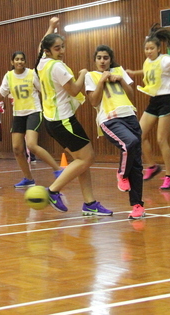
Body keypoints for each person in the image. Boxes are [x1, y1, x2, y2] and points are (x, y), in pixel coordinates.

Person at [35, 17, 112, 216]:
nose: (62, 51)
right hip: (64, 121)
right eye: (57, 48)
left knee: (81, 160)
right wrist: (83, 74)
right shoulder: (57, 67)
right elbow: (74, 89)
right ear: (48, 51)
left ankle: (90, 203)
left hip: (52, 121)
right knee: (88, 157)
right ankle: (53, 191)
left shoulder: (42, 62)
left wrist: (51, 27)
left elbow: (42, 44)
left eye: (62, 46)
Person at [128, 24, 170, 190]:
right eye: (146, 48)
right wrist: (134, 73)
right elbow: (149, 71)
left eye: (151, 48)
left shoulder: (166, 59)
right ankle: (152, 166)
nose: (148, 51)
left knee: (161, 139)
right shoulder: (148, 62)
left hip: (167, 100)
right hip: (154, 101)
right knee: (139, 135)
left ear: (158, 48)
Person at [85, 45, 145, 219]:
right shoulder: (91, 76)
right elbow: (94, 101)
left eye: (106, 58)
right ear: (95, 60)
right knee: (129, 143)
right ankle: (121, 173)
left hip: (130, 117)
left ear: (110, 60)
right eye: (99, 58)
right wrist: (102, 81)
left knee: (137, 164)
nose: (102, 61)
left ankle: (137, 206)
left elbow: (131, 95)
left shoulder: (119, 71)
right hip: (110, 119)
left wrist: (121, 80)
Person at [0, 51, 63, 188]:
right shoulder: (8, 76)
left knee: (31, 144)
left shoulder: (31, 73)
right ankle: (28, 179)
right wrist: (0, 89)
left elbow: (42, 89)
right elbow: (2, 92)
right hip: (18, 114)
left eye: (22, 59)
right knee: (17, 148)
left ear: (25, 61)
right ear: (12, 62)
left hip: (33, 112)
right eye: (17, 59)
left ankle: (58, 169)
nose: (19, 61)